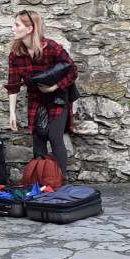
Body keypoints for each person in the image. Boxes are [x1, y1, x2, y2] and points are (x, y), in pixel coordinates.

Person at [6, 10, 78, 173]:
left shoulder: (52, 47)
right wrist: (12, 113)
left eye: (17, 25)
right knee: (38, 138)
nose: (12, 28)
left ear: (30, 28)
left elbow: (72, 70)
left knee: (54, 136)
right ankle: (41, 179)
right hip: (36, 98)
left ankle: (58, 180)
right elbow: (13, 85)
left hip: (58, 97)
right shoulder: (15, 55)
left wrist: (55, 86)